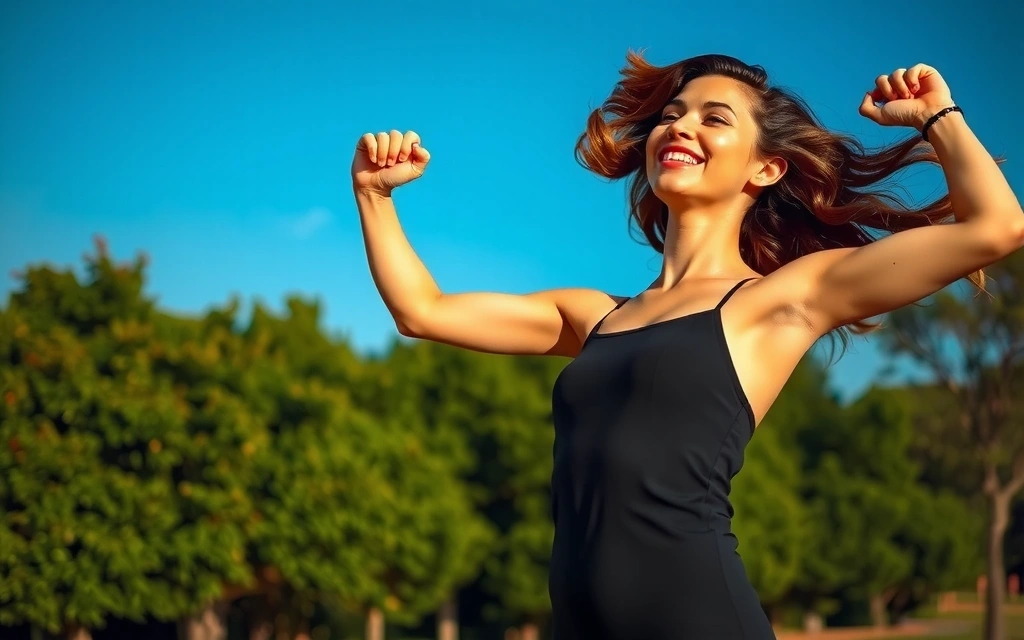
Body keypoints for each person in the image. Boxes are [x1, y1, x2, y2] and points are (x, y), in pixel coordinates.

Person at [350, 53, 1023, 639]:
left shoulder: (781, 299)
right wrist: (374, 197)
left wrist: (940, 117)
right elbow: (422, 311)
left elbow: (997, 227)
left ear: (764, 170)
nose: (681, 126)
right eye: (674, 113)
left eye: (714, 118)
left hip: (697, 619)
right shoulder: (594, 316)